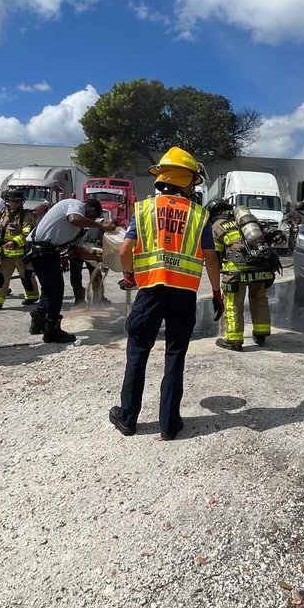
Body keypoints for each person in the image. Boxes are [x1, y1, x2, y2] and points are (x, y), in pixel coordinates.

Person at [109, 148, 223, 441]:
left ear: (162, 177)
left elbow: (124, 250)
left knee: (138, 352)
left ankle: (128, 419)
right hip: (183, 295)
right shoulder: (199, 215)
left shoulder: (144, 209)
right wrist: (216, 292)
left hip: (149, 294)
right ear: (187, 181)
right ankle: (169, 424)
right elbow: (211, 258)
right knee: (175, 356)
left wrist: (130, 275)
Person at [27, 197, 111, 342]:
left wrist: (98, 256)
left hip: (48, 252)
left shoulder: (79, 229)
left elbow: (77, 250)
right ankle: (52, 330)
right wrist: (100, 225)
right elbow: (74, 219)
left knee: (49, 289)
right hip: (41, 251)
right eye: (94, 216)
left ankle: (38, 320)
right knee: (56, 290)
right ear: (91, 209)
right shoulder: (75, 205)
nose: (93, 220)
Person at [209, 201, 278, 350]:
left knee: (233, 303)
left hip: (237, 272)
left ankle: (233, 340)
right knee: (259, 299)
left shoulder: (217, 225)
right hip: (260, 268)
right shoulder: (248, 221)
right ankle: (261, 334)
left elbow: (216, 255)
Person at [0, 189, 39, 310]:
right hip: (4, 253)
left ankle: (32, 295)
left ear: (21, 203)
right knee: (1, 276)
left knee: (26, 276)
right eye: (10, 201)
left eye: (16, 201)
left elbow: (28, 233)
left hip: (21, 254)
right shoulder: (2, 214)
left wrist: (15, 242)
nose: (13, 203)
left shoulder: (26, 216)